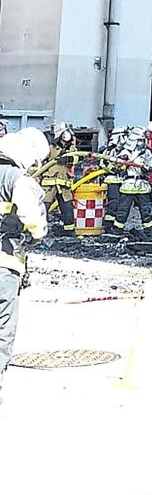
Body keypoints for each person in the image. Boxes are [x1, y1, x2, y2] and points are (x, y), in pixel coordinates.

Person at [0, 128, 49, 398]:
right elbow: (33, 219)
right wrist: (37, 233)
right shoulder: (16, 179)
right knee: (2, 326)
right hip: (4, 264)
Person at [112, 128, 152, 236]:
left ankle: (149, 231)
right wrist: (122, 162)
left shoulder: (147, 152)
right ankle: (117, 230)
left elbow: (151, 165)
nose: (142, 142)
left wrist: (147, 167)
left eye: (143, 140)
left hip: (142, 185)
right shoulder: (125, 152)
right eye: (139, 140)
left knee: (146, 210)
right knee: (123, 209)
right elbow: (117, 167)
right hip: (129, 184)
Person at [39, 121, 79, 239]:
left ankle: (69, 231)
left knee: (67, 208)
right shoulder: (50, 148)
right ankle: (40, 231)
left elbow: (75, 159)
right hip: (49, 184)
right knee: (43, 208)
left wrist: (68, 157)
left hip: (64, 184)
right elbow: (41, 161)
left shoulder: (72, 149)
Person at [100, 127, 128, 231]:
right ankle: (108, 225)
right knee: (114, 203)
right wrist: (112, 169)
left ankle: (117, 226)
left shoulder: (127, 150)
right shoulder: (109, 150)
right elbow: (103, 162)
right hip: (112, 180)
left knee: (122, 205)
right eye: (124, 135)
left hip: (124, 181)